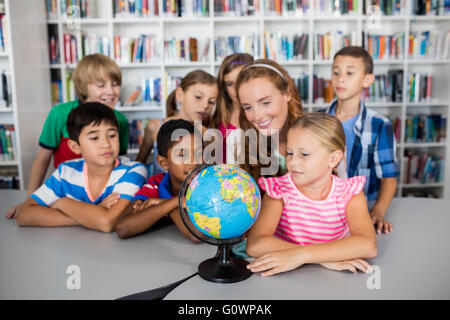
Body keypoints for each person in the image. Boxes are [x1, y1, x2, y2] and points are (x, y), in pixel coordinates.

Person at [246, 113, 378, 277]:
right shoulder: (279, 191)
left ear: (334, 158)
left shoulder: (349, 194)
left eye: (304, 154)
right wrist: (324, 259)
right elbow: (255, 244)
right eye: (290, 153)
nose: (293, 162)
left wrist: (302, 256)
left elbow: (367, 245)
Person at [6, 53, 129, 218]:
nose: (111, 91)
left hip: (103, 197)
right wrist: (32, 199)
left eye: (115, 84)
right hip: (66, 195)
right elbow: (42, 160)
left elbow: (117, 165)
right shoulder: (59, 114)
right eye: (101, 85)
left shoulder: (120, 120)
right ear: (84, 87)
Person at [7, 102, 147, 233]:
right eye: (94, 138)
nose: (106, 144)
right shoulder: (65, 172)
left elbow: (107, 222)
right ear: (75, 147)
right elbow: (24, 214)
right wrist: (93, 214)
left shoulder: (134, 171)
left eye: (112, 135)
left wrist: (62, 203)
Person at [320, 46, 399, 234]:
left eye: (350, 73)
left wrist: (378, 211)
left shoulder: (380, 124)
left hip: (363, 207)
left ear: (367, 79)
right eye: (336, 72)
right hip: (324, 211)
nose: (341, 79)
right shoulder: (317, 121)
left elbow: (389, 177)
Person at [116, 119, 203, 242]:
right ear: (164, 163)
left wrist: (162, 203)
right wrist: (174, 202)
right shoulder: (156, 184)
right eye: (182, 155)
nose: (194, 161)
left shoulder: (208, 184)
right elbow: (123, 228)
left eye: (199, 153)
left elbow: (196, 235)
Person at [135, 69, 217, 176]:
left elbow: (213, 174)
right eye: (198, 97)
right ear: (179, 95)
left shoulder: (209, 135)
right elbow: (138, 166)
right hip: (158, 191)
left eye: (211, 102)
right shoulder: (155, 126)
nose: (205, 106)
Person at [235, 59, 303, 181]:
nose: (257, 116)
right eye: (248, 107)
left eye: (266, 102)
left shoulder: (316, 137)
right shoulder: (240, 146)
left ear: (288, 94)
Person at [211, 53, 254, 163]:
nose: (235, 89)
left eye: (240, 80)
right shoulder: (215, 120)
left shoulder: (263, 118)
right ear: (223, 87)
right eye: (230, 84)